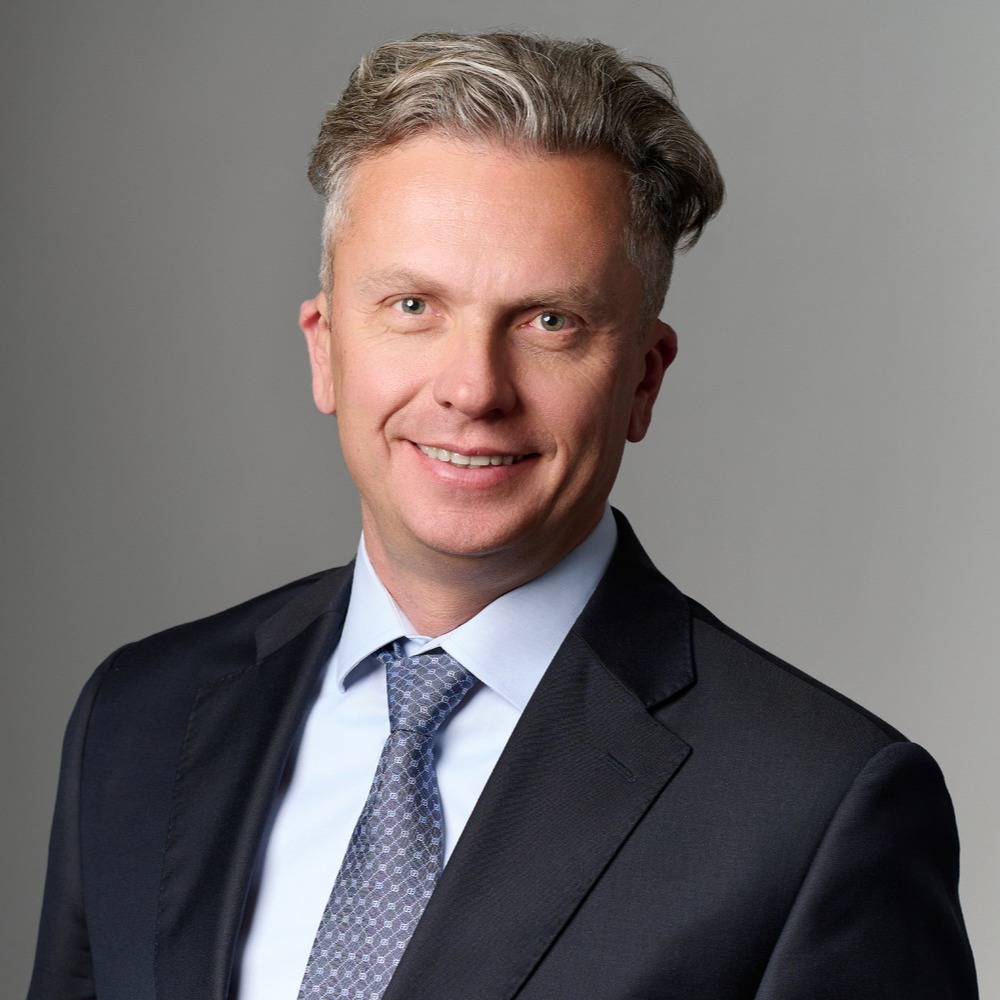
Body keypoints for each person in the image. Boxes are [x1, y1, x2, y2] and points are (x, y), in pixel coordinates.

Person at [28, 30, 977, 1000]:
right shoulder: (139, 718)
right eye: (412, 306)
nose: (473, 389)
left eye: (549, 321)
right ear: (325, 347)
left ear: (643, 378)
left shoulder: (815, 808)